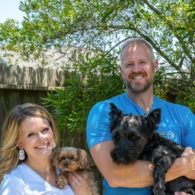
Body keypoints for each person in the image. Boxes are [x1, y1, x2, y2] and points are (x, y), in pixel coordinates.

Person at [86, 38, 195, 195]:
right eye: (129, 64)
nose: (136, 69)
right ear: (121, 70)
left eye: (142, 62)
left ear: (155, 65)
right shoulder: (103, 111)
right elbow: (116, 175)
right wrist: (183, 166)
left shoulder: (183, 114)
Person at [0, 103, 90, 195]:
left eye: (45, 130)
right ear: (19, 143)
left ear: (52, 131)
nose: (42, 138)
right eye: (31, 134)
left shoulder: (70, 170)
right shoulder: (14, 183)